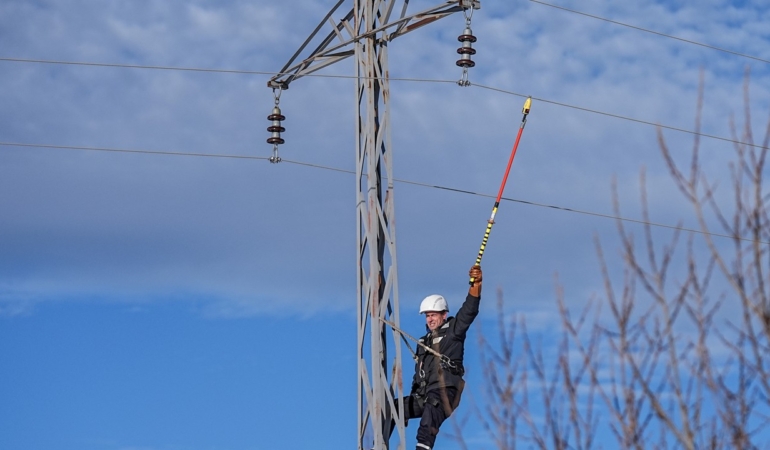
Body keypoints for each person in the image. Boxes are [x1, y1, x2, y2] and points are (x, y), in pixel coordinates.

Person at [395, 264, 482, 450]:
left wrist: (477, 284)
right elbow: (418, 377)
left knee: (429, 418)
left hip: (444, 391)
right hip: (424, 394)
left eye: (433, 315)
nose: (430, 319)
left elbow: (469, 310)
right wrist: (407, 409)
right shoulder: (423, 342)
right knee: (392, 408)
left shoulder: (453, 331)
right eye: (427, 316)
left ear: (444, 315)